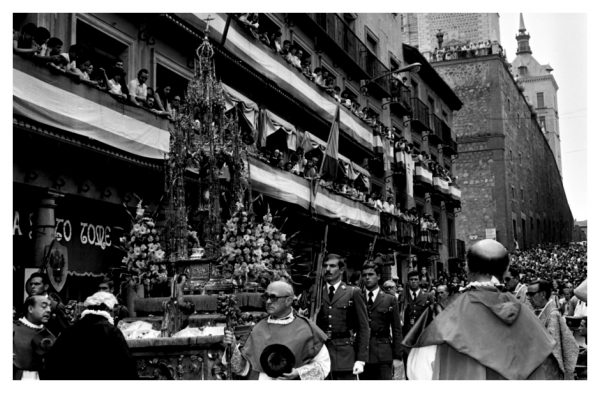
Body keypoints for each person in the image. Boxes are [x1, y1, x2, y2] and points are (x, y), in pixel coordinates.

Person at [407, 239, 561, 379]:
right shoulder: (528, 317)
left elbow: (419, 373)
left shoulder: (446, 316)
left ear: (467, 267)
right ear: (506, 270)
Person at [222, 280, 330, 380]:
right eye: (266, 297)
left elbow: (323, 366)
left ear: (288, 300)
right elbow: (242, 368)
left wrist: (298, 372)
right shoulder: (258, 327)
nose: (268, 301)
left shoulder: (307, 329)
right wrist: (232, 346)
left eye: (273, 297)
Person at [43, 291, 138, 379]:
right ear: (107, 309)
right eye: (114, 309)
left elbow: (52, 363)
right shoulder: (111, 331)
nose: (115, 313)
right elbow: (127, 366)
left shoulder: (69, 331)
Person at [315, 253, 370, 379]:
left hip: (345, 355)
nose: (328, 269)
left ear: (341, 270)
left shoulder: (352, 292)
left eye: (332, 266)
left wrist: (361, 359)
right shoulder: (316, 292)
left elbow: (363, 327)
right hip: (320, 354)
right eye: (325, 266)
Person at [527, 279, 578, 379]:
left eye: (531, 294)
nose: (528, 297)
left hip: (548, 368)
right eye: (527, 294)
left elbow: (554, 349)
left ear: (542, 294)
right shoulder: (539, 310)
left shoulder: (552, 315)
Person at [360, 262, 403, 380]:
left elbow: (396, 329)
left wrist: (397, 355)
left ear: (378, 276)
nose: (367, 277)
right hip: (363, 354)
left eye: (371, 274)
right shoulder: (358, 297)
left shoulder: (389, 299)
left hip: (383, 353)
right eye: (364, 275)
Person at [13, 296, 55, 379]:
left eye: (50, 306)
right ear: (30, 309)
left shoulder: (50, 334)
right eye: (44, 306)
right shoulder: (13, 328)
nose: (49, 310)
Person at [25, 272, 70, 337]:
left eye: (37, 284)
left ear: (46, 287)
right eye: (31, 284)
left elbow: (65, 327)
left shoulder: (56, 304)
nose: (32, 286)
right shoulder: (28, 302)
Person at [402, 270, 430, 337]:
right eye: (411, 279)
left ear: (420, 281)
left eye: (416, 279)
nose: (413, 281)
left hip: (422, 333)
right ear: (408, 281)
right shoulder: (403, 296)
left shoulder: (427, 296)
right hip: (407, 334)